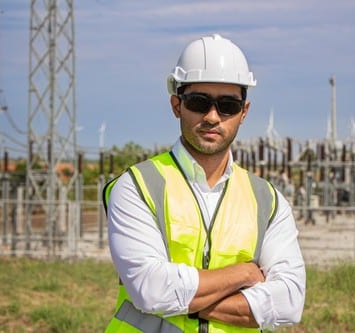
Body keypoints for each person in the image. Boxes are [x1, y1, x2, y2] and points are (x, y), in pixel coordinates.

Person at [104, 34, 306, 332]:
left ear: (243, 112)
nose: (213, 116)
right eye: (199, 102)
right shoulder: (137, 187)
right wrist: (242, 275)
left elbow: (289, 302)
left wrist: (182, 299)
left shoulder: (268, 200)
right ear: (177, 105)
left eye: (227, 105)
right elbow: (150, 290)